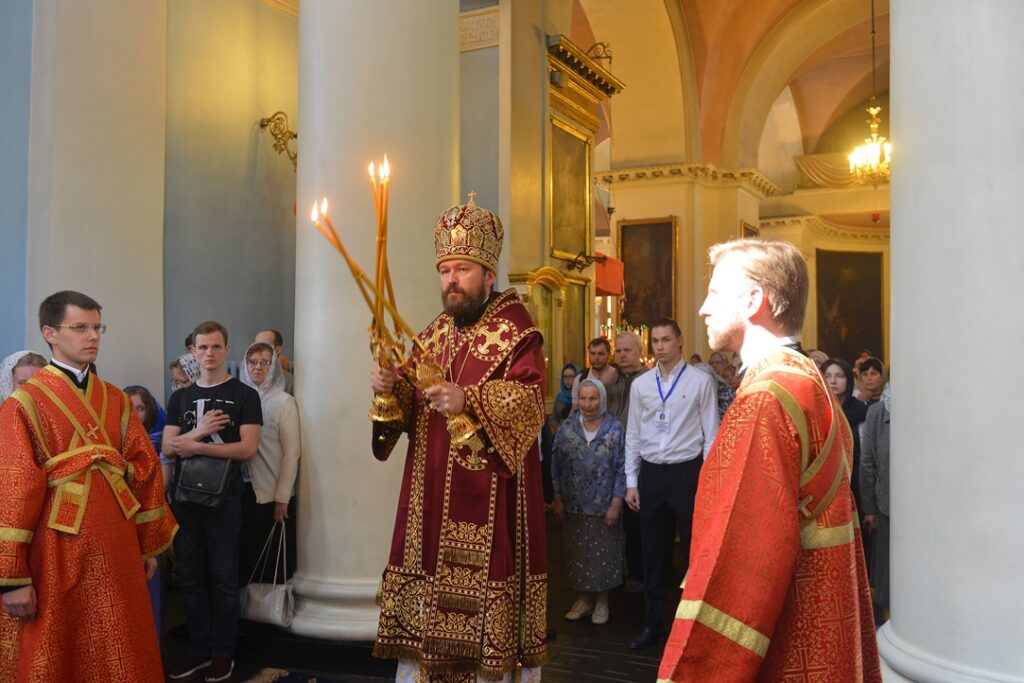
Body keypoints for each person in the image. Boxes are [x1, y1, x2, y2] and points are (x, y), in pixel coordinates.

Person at [658, 239, 881, 681]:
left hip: (787, 638)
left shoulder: (767, 398)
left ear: (754, 301)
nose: (703, 308)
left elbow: (741, 555)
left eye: (716, 294)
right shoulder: (808, 378)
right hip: (816, 626)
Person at [368, 195, 547, 682]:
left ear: (488, 275)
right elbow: (409, 397)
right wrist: (391, 389)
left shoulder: (518, 333)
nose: (451, 280)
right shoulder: (434, 333)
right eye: (445, 269)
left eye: (463, 269)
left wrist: (469, 400)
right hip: (430, 497)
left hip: (490, 496)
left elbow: (530, 403)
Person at [0, 290, 177, 683]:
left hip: (118, 545)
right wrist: (12, 577)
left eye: (97, 327)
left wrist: (149, 543)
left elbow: (144, 471)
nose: (92, 336)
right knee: (61, 642)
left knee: (121, 641)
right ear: (50, 333)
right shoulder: (23, 404)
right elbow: (14, 489)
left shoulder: (115, 399)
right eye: (80, 327)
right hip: (57, 546)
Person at [164, 321, 262, 682]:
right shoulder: (180, 397)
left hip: (225, 499)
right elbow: (167, 446)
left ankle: (223, 652)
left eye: (215, 347)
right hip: (185, 498)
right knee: (190, 576)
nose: (208, 353)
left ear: (227, 349)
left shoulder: (244, 395)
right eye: (202, 348)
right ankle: (197, 649)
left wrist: (196, 446)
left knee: (222, 578)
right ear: (194, 351)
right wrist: (201, 431)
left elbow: (248, 448)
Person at [624, 319, 719, 650]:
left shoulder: (699, 382)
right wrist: (632, 481)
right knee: (652, 552)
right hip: (651, 473)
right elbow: (633, 434)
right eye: (655, 341)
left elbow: (711, 434)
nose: (660, 346)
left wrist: (707, 480)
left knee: (694, 550)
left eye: (666, 339)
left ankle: (691, 627)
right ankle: (653, 624)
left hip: (687, 472)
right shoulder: (641, 385)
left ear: (680, 341)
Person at [551, 378, 625, 626]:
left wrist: (617, 502)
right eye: (583, 398)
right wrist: (558, 497)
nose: (588, 403)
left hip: (605, 505)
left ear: (601, 399)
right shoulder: (567, 428)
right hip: (574, 506)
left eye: (593, 398)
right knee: (577, 553)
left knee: (605, 554)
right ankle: (583, 600)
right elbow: (556, 465)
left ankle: (602, 602)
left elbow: (623, 467)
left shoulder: (615, 428)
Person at [239, 341, 300, 584]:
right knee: (245, 560)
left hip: (270, 494)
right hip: (241, 489)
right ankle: (245, 617)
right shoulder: (240, 398)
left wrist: (283, 497)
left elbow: (291, 452)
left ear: (273, 365)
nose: (258, 368)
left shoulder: (283, 402)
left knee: (270, 563)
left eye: (264, 362)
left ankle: (266, 621)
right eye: (252, 362)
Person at [125, 384, 171, 640]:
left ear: (149, 411)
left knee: (150, 583)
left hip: (148, 520)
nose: (134, 413)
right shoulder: (113, 442)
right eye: (129, 407)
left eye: (140, 408)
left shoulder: (157, 439)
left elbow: (160, 487)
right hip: (121, 521)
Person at [604, 331, 648, 593]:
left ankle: (640, 573)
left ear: (639, 352)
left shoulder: (649, 379)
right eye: (618, 351)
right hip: (613, 458)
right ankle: (614, 571)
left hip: (639, 458)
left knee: (636, 518)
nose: (621, 355)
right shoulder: (612, 380)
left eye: (626, 351)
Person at [860, 382, 891, 625]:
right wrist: (870, 507)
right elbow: (867, 462)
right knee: (885, 580)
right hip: (887, 507)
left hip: (923, 512)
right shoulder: (878, 413)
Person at [571, 337, 617, 409]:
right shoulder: (580, 379)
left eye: (601, 354)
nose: (596, 358)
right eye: (593, 354)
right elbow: (575, 408)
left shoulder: (617, 376)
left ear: (609, 355)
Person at [254, 329, 295, 394]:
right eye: (255, 346)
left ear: (277, 350)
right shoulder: (249, 379)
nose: (257, 350)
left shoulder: (291, 383)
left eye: (263, 345)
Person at [548, 361, 579, 435]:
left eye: (571, 377)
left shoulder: (583, 397)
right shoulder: (559, 397)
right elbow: (553, 418)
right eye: (565, 377)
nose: (567, 380)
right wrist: (559, 429)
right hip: (560, 434)